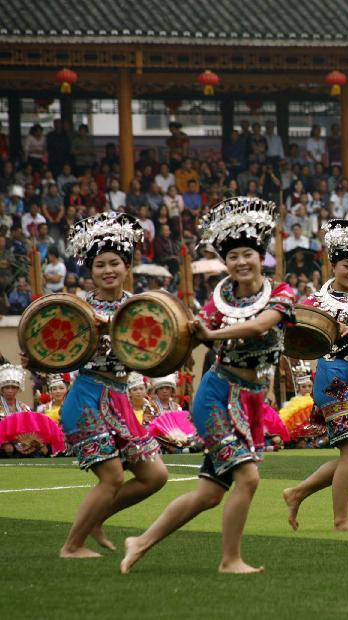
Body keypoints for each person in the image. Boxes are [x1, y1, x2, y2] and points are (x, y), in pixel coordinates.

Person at [121, 197, 294, 574]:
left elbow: (260, 326)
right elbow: (189, 339)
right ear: (225, 262)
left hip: (250, 402)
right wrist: (160, 341)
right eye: (233, 257)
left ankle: (141, 541)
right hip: (216, 396)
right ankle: (230, 560)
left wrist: (212, 332)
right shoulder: (217, 302)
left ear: (260, 256)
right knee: (247, 478)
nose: (241, 262)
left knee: (209, 494)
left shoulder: (282, 293)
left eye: (248, 253)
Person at [40, 212, 168, 559]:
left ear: (127, 266)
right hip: (86, 397)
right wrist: (35, 358)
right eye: (100, 265)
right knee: (111, 477)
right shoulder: (76, 307)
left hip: (120, 398)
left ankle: (97, 518)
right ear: (90, 270)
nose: (108, 270)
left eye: (115, 263)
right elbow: (51, 347)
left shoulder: (139, 306)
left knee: (155, 475)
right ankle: (72, 545)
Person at [282, 219, 348, 533]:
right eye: (346, 265)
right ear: (333, 264)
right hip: (334, 375)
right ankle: (341, 520)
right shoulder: (314, 302)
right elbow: (297, 330)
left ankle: (297, 492)